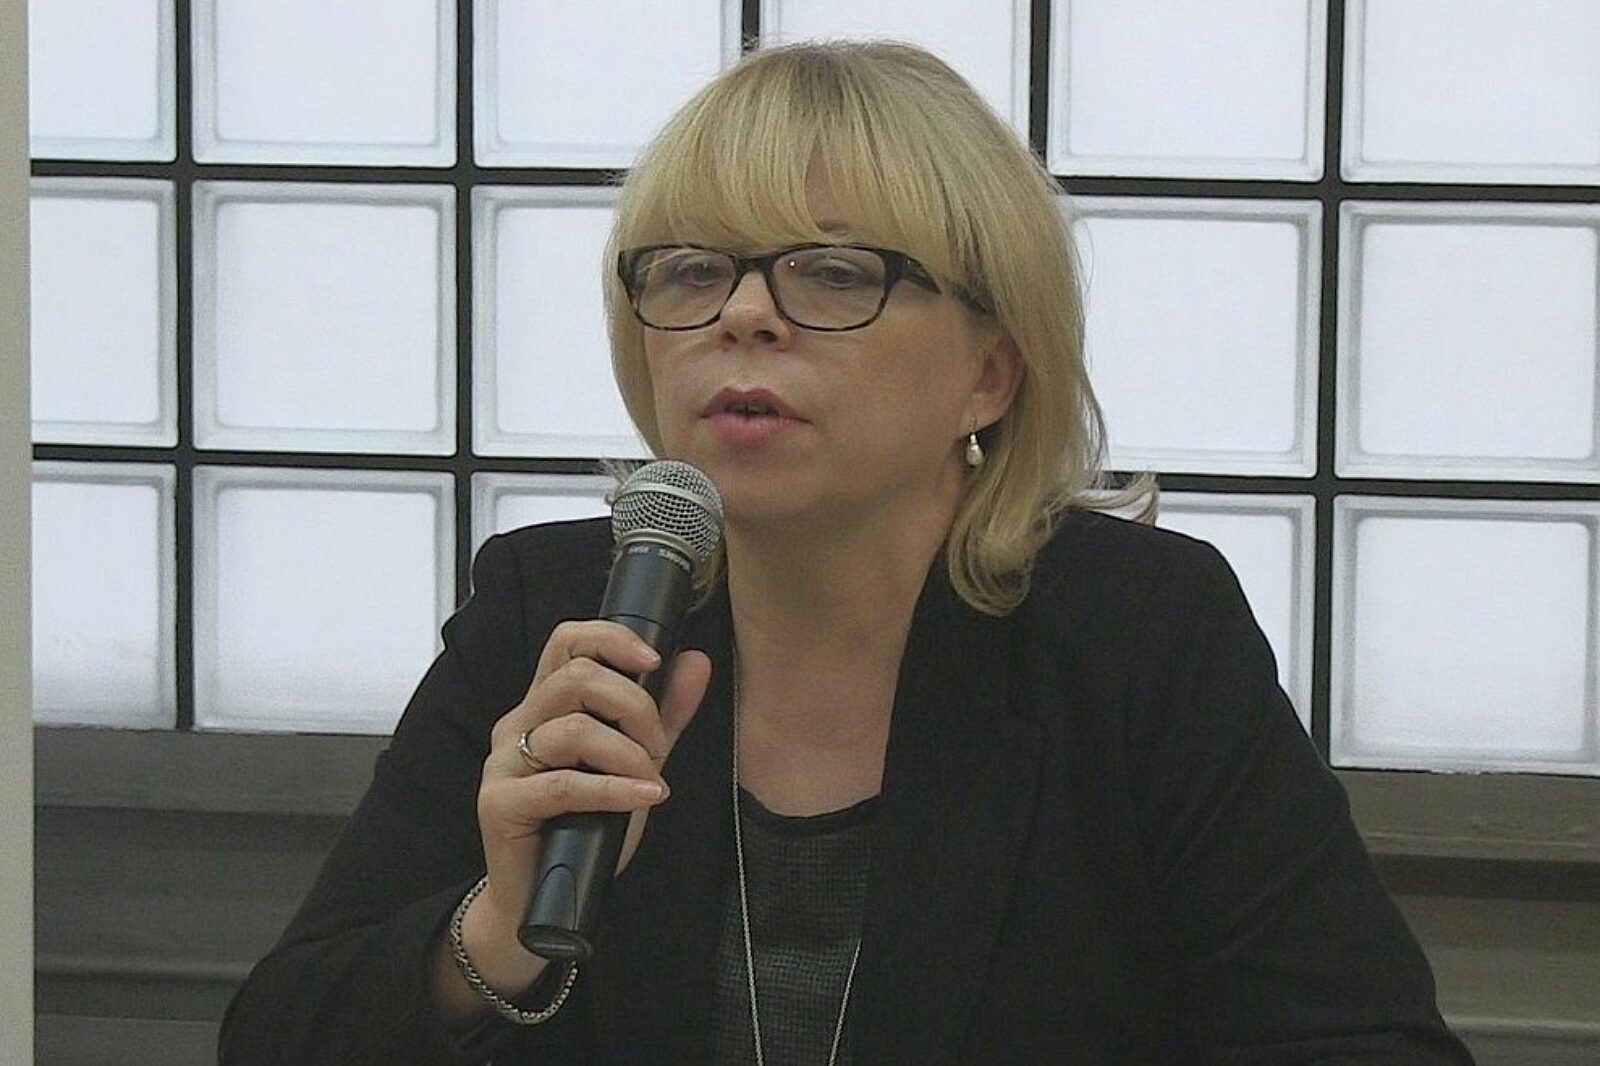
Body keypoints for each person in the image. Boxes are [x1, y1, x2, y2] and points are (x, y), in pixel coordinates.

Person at [219, 41, 1474, 1065]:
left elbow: (1362, 1042)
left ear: (988, 373)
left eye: (831, 273)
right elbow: (277, 1036)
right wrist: (494, 931)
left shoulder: (1139, 632)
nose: (742, 314)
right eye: (692, 270)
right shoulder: (551, 609)